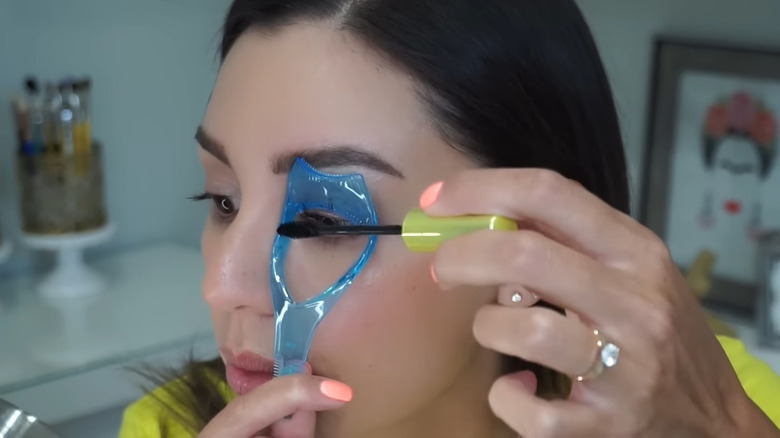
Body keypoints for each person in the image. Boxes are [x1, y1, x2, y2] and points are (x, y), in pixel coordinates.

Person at [119, 0, 780, 436]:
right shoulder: (170, 427)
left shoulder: (704, 406)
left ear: (529, 241)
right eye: (224, 201)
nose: (222, 286)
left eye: (320, 221)